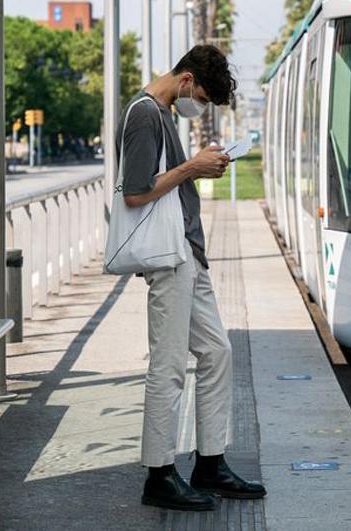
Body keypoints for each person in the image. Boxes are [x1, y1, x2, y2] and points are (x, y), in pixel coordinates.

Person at [118, 45, 267, 512]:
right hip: (168, 257)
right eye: (200, 97)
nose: (198, 106)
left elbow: (168, 183)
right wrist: (192, 168)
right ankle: (159, 475)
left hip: (188, 252)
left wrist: (201, 169)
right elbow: (136, 194)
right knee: (167, 364)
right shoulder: (144, 114)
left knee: (217, 351)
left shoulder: (163, 113)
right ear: (185, 80)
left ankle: (210, 462)